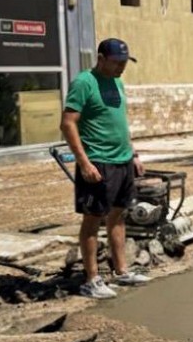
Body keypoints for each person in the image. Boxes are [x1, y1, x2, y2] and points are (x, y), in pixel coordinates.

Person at [60, 38, 151, 299]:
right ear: (101, 59)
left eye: (124, 63)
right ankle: (91, 279)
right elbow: (68, 124)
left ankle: (121, 271)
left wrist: (133, 155)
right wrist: (84, 162)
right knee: (93, 219)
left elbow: (120, 122)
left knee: (119, 216)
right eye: (117, 62)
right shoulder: (84, 83)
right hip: (98, 161)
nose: (121, 67)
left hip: (122, 160)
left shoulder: (117, 82)